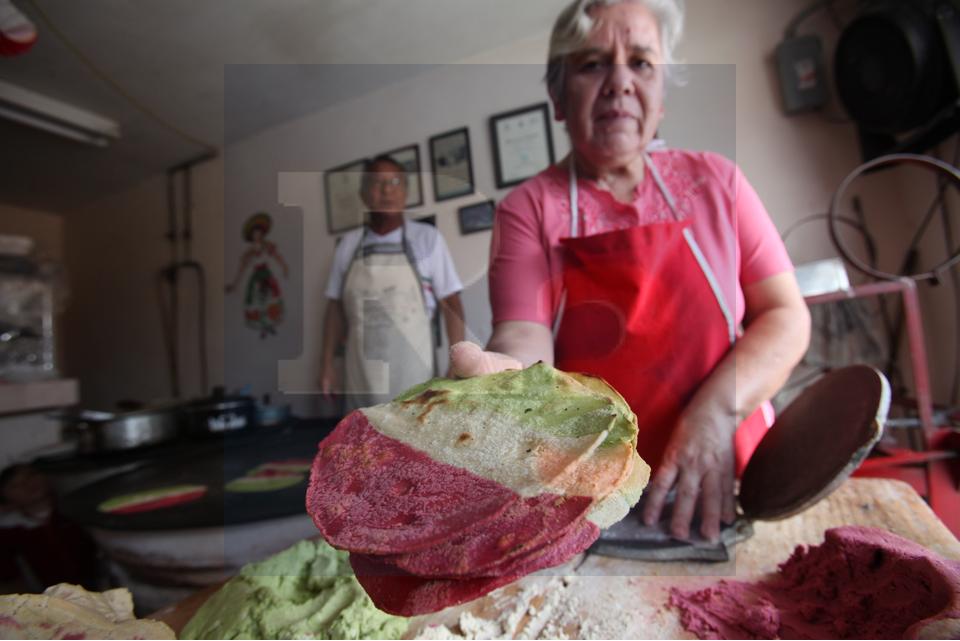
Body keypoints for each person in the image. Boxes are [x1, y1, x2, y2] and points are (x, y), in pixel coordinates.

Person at [450, 0, 811, 542]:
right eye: (592, 63)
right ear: (557, 95)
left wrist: (716, 412)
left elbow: (786, 316)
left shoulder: (717, 182)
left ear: (661, 96)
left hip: (735, 468)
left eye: (640, 63)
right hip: (602, 491)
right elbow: (527, 335)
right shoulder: (529, 208)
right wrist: (506, 379)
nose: (619, 82)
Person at [321, 155, 465, 411]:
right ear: (364, 194)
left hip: (415, 376)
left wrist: (457, 361)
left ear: (406, 192)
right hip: (360, 377)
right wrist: (327, 366)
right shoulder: (348, 245)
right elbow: (334, 309)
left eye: (395, 182)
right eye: (377, 183)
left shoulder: (427, 239)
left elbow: (452, 302)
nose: (387, 190)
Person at [225, 212, 289, 338]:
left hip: (267, 276)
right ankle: (263, 327)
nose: (257, 235)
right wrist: (234, 284)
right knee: (257, 302)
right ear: (251, 236)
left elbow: (277, 257)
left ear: (262, 234)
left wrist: (284, 267)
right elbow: (242, 269)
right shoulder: (249, 252)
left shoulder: (267, 246)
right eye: (254, 233)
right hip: (256, 279)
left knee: (270, 299)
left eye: (258, 233)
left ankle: (270, 324)